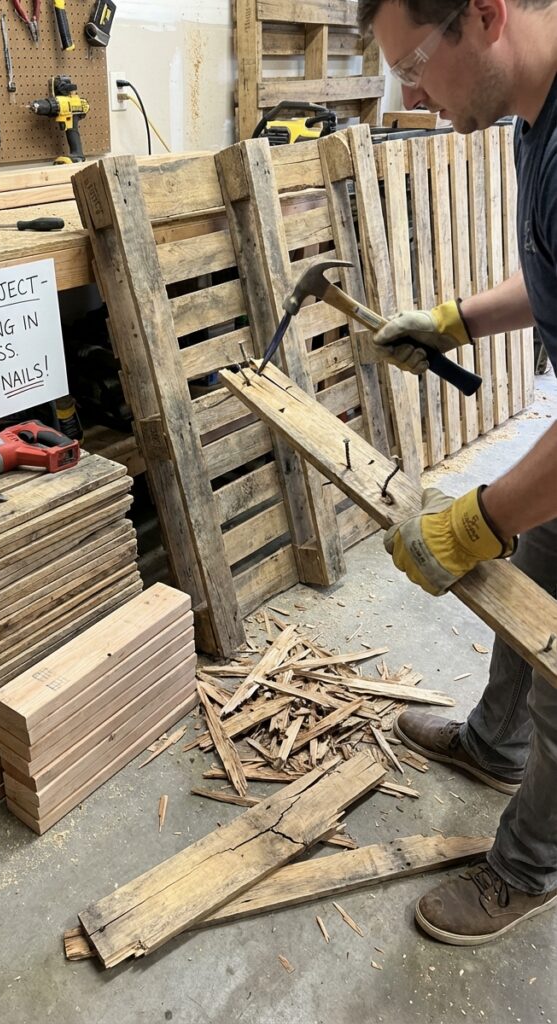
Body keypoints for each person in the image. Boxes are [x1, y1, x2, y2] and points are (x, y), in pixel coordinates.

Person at [357, 0, 557, 945]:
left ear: (483, 16)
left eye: (410, 65)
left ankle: (528, 870)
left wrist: (472, 519)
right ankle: (493, 745)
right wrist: (457, 322)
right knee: (535, 578)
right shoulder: (533, 109)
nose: (407, 92)